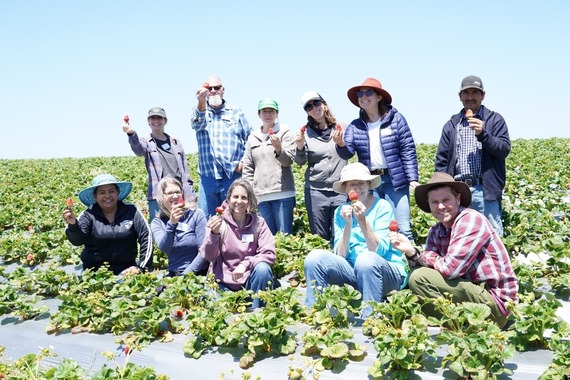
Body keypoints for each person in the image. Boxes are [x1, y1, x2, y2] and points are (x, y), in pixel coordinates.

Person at [389, 172, 518, 328]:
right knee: (417, 279)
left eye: (446, 200)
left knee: (418, 278)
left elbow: (450, 269)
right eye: (434, 202)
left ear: (458, 199)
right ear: (429, 205)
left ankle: (459, 325)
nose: (441, 206)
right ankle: (458, 324)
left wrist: (430, 259)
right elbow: (428, 265)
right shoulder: (436, 231)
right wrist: (411, 252)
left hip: (496, 303)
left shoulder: (470, 220)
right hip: (472, 294)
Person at [303, 163, 409, 318]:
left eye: (361, 183)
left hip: (386, 272)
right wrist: (347, 224)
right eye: (352, 184)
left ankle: (371, 317)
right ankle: (315, 313)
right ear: (345, 189)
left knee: (365, 259)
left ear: (369, 185)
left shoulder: (382, 207)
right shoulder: (341, 211)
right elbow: (341, 255)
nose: (357, 188)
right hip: (355, 272)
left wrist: (362, 220)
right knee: (314, 258)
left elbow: (378, 251)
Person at [335, 77, 419, 242]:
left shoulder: (396, 119)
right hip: (369, 182)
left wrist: (413, 178)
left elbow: (407, 149)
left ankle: (407, 264)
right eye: (360, 93)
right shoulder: (355, 125)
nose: (363, 96)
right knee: (373, 227)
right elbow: (347, 153)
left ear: (379, 97)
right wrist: (340, 144)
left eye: (368, 93)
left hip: (395, 181)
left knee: (402, 229)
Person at [435, 75, 511, 236]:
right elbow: (442, 160)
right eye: (466, 93)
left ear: (482, 95)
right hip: (458, 190)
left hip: (484, 189)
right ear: (460, 97)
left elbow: (503, 149)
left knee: (491, 235)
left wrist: (484, 134)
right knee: (460, 235)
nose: (470, 97)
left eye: (475, 92)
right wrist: (445, 188)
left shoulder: (494, 120)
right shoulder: (452, 124)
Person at [200, 178, 276, 308]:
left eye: (244, 198)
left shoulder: (258, 223)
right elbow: (208, 256)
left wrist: (245, 264)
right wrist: (214, 234)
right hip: (222, 283)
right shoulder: (217, 222)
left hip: (249, 282)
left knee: (263, 269)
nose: (239, 201)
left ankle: (257, 313)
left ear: (249, 201)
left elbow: (269, 253)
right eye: (235, 197)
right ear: (228, 199)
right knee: (214, 310)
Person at [63, 174, 153, 275]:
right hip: (93, 272)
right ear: (95, 196)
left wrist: (141, 267)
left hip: (126, 270)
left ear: (118, 192)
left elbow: (146, 236)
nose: (107, 196)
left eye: (111, 191)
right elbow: (77, 241)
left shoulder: (131, 211)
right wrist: (73, 225)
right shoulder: (88, 215)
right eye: (102, 192)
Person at [191, 76, 252, 217]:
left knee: (234, 217)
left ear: (223, 90)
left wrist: (244, 161)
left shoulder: (236, 112)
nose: (213, 91)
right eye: (209, 88)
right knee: (208, 220)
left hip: (232, 175)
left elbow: (250, 139)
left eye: (216, 88)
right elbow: (196, 124)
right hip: (208, 176)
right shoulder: (199, 112)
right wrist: (200, 103)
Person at [123, 106, 196, 221]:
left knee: (184, 224)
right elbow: (138, 150)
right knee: (159, 225)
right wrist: (131, 134)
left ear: (165, 121)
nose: (156, 121)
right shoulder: (146, 141)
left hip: (178, 191)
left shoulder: (175, 142)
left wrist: (190, 192)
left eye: (159, 118)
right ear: (148, 121)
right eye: (153, 118)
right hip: (158, 192)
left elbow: (185, 170)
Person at [295, 91, 347, 245]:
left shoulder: (341, 127)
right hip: (316, 191)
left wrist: (340, 143)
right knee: (319, 237)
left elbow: (349, 153)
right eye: (309, 107)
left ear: (324, 104)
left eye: (316, 103)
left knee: (342, 233)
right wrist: (299, 147)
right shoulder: (304, 133)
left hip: (339, 189)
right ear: (307, 112)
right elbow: (299, 162)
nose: (314, 108)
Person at [242, 98, 295, 235]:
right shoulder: (252, 137)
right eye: (264, 111)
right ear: (259, 114)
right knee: (266, 237)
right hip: (261, 196)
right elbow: (248, 167)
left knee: (285, 235)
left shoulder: (285, 132)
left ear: (277, 113)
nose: (268, 114)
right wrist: (249, 193)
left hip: (282, 192)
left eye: (271, 111)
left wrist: (278, 148)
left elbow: (288, 161)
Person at [151, 176, 208, 277]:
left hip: (198, 273)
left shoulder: (196, 214)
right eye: (170, 193)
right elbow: (165, 248)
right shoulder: (157, 222)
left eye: (178, 192)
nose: (175, 196)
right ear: (161, 197)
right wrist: (172, 224)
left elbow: (204, 250)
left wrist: (187, 274)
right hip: (174, 273)